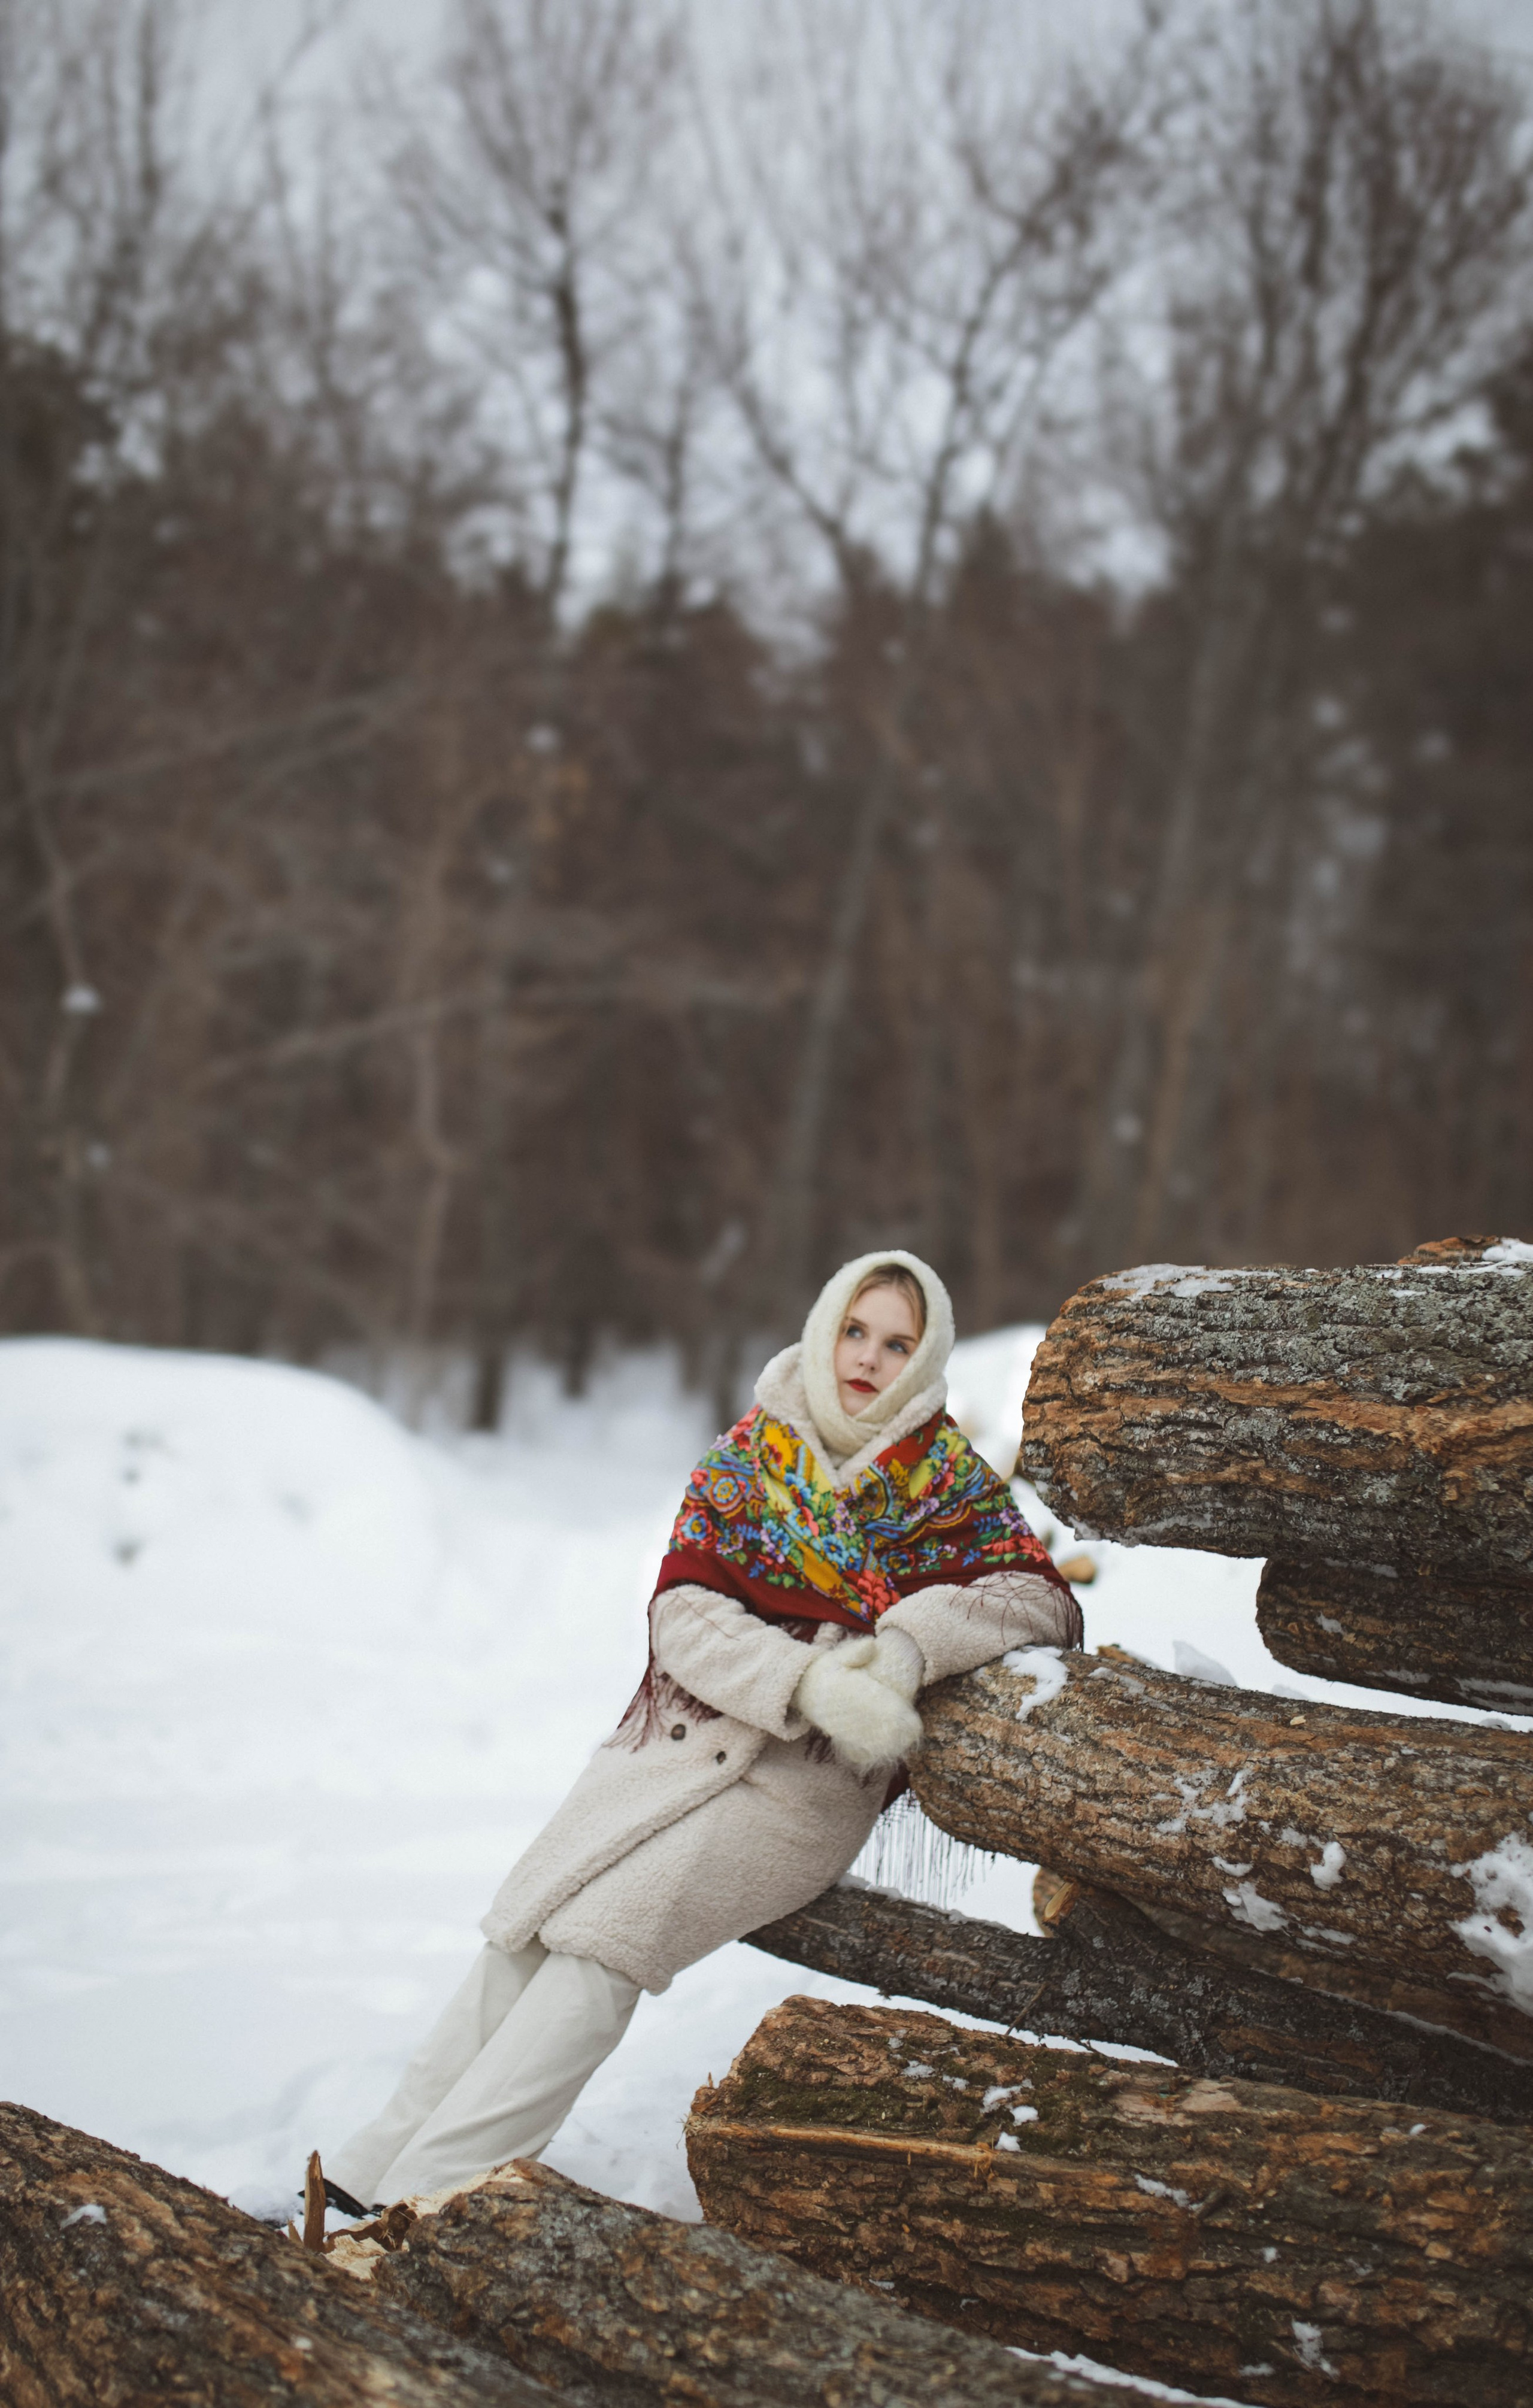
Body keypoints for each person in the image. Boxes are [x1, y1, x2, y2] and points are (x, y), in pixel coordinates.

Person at [322, 1248, 1080, 2213]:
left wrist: (903, 1650)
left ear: (926, 1360)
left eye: (897, 1343)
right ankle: (355, 2179)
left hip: (800, 1787)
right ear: (822, 1330)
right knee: (523, 1930)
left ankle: (424, 2205)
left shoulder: (949, 1483)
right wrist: (804, 1676)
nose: (868, 1358)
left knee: (602, 1943)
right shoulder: (748, 1457)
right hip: (678, 1743)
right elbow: (683, 1616)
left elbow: (1033, 1598)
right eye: (854, 1331)